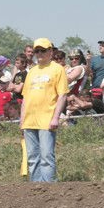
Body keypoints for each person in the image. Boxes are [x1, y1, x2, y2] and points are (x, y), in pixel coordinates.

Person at [20, 38, 68, 182]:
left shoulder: (57, 69)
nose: (39, 53)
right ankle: (36, 188)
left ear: (51, 51)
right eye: (37, 51)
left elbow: (62, 95)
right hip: (29, 120)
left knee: (46, 156)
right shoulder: (32, 71)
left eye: (43, 50)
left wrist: (55, 117)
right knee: (32, 157)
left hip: (47, 119)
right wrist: (22, 119)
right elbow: (25, 97)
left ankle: (49, 188)